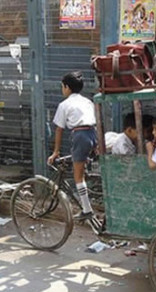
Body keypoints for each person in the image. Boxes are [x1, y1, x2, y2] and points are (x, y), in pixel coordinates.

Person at [47, 71, 97, 220]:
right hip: (92, 134)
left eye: (62, 87)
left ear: (67, 87)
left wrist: (56, 151)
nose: (62, 90)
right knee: (82, 168)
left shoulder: (65, 104)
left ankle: (87, 210)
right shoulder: (87, 101)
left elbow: (59, 129)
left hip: (80, 136)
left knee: (78, 177)